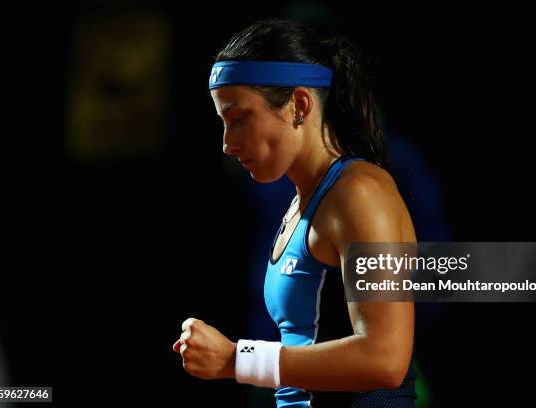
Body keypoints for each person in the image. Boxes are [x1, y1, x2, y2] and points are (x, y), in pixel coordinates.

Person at [173, 18, 417, 407]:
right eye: (223, 123)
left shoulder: (360, 193)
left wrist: (236, 358)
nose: (227, 144)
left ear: (299, 105)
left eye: (238, 119)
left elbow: (385, 359)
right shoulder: (301, 203)